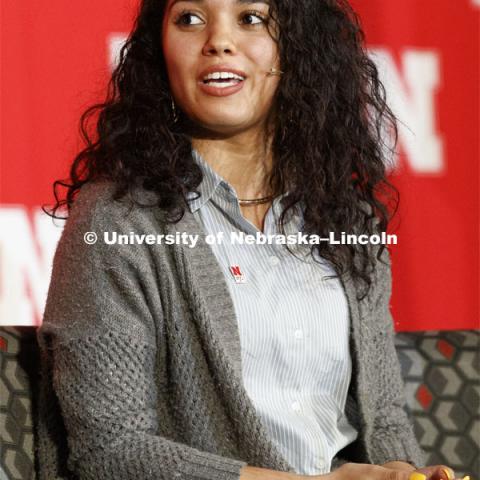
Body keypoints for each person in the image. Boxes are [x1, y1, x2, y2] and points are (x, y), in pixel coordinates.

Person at [36, 0, 462, 479]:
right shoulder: (119, 221)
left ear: (297, 49)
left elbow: (384, 422)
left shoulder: (350, 221)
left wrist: (404, 474)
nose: (218, 40)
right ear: (160, 53)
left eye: (251, 18)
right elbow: (111, 451)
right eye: (189, 19)